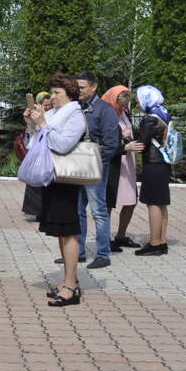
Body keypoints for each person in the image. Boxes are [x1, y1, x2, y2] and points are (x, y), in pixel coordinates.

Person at [25, 73, 87, 307]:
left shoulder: (76, 115)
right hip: (53, 178)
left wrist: (42, 125)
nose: (52, 97)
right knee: (61, 232)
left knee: (68, 231)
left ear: (69, 94)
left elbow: (62, 144)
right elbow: (35, 141)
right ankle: (70, 281)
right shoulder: (54, 114)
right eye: (52, 92)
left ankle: (71, 287)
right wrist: (32, 124)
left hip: (66, 178)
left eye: (56, 93)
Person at [68, 71, 121, 270]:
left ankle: (103, 253)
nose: (78, 91)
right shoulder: (75, 107)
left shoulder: (104, 110)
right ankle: (79, 252)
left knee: (98, 211)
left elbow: (112, 143)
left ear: (93, 87)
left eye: (82, 87)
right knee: (77, 209)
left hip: (96, 166)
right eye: (77, 87)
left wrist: (98, 163)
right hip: (76, 165)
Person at [101, 86, 144, 252]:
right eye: (121, 105)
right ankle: (105, 238)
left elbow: (129, 133)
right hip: (113, 164)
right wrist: (124, 144)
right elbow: (105, 144)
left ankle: (121, 235)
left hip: (127, 164)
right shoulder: (106, 115)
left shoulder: (123, 114)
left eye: (126, 105)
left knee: (131, 200)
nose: (124, 108)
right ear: (113, 101)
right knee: (108, 203)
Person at [134, 85, 171, 256]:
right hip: (163, 163)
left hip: (153, 163)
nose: (137, 102)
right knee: (161, 203)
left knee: (153, 203)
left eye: (139, 99)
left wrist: (129, 136)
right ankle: (162, 241)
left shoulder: (150, 119)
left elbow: (142, 143)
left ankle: (154, 243)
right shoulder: (163, 113)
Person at [22, 91, 52, 220]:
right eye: (43, 105)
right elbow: (30, 139)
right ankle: (36, 211)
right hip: (36, 155)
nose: (46, 108)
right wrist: (29, 122)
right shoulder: (36, 116)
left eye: (48, 105)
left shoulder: (53, 116)